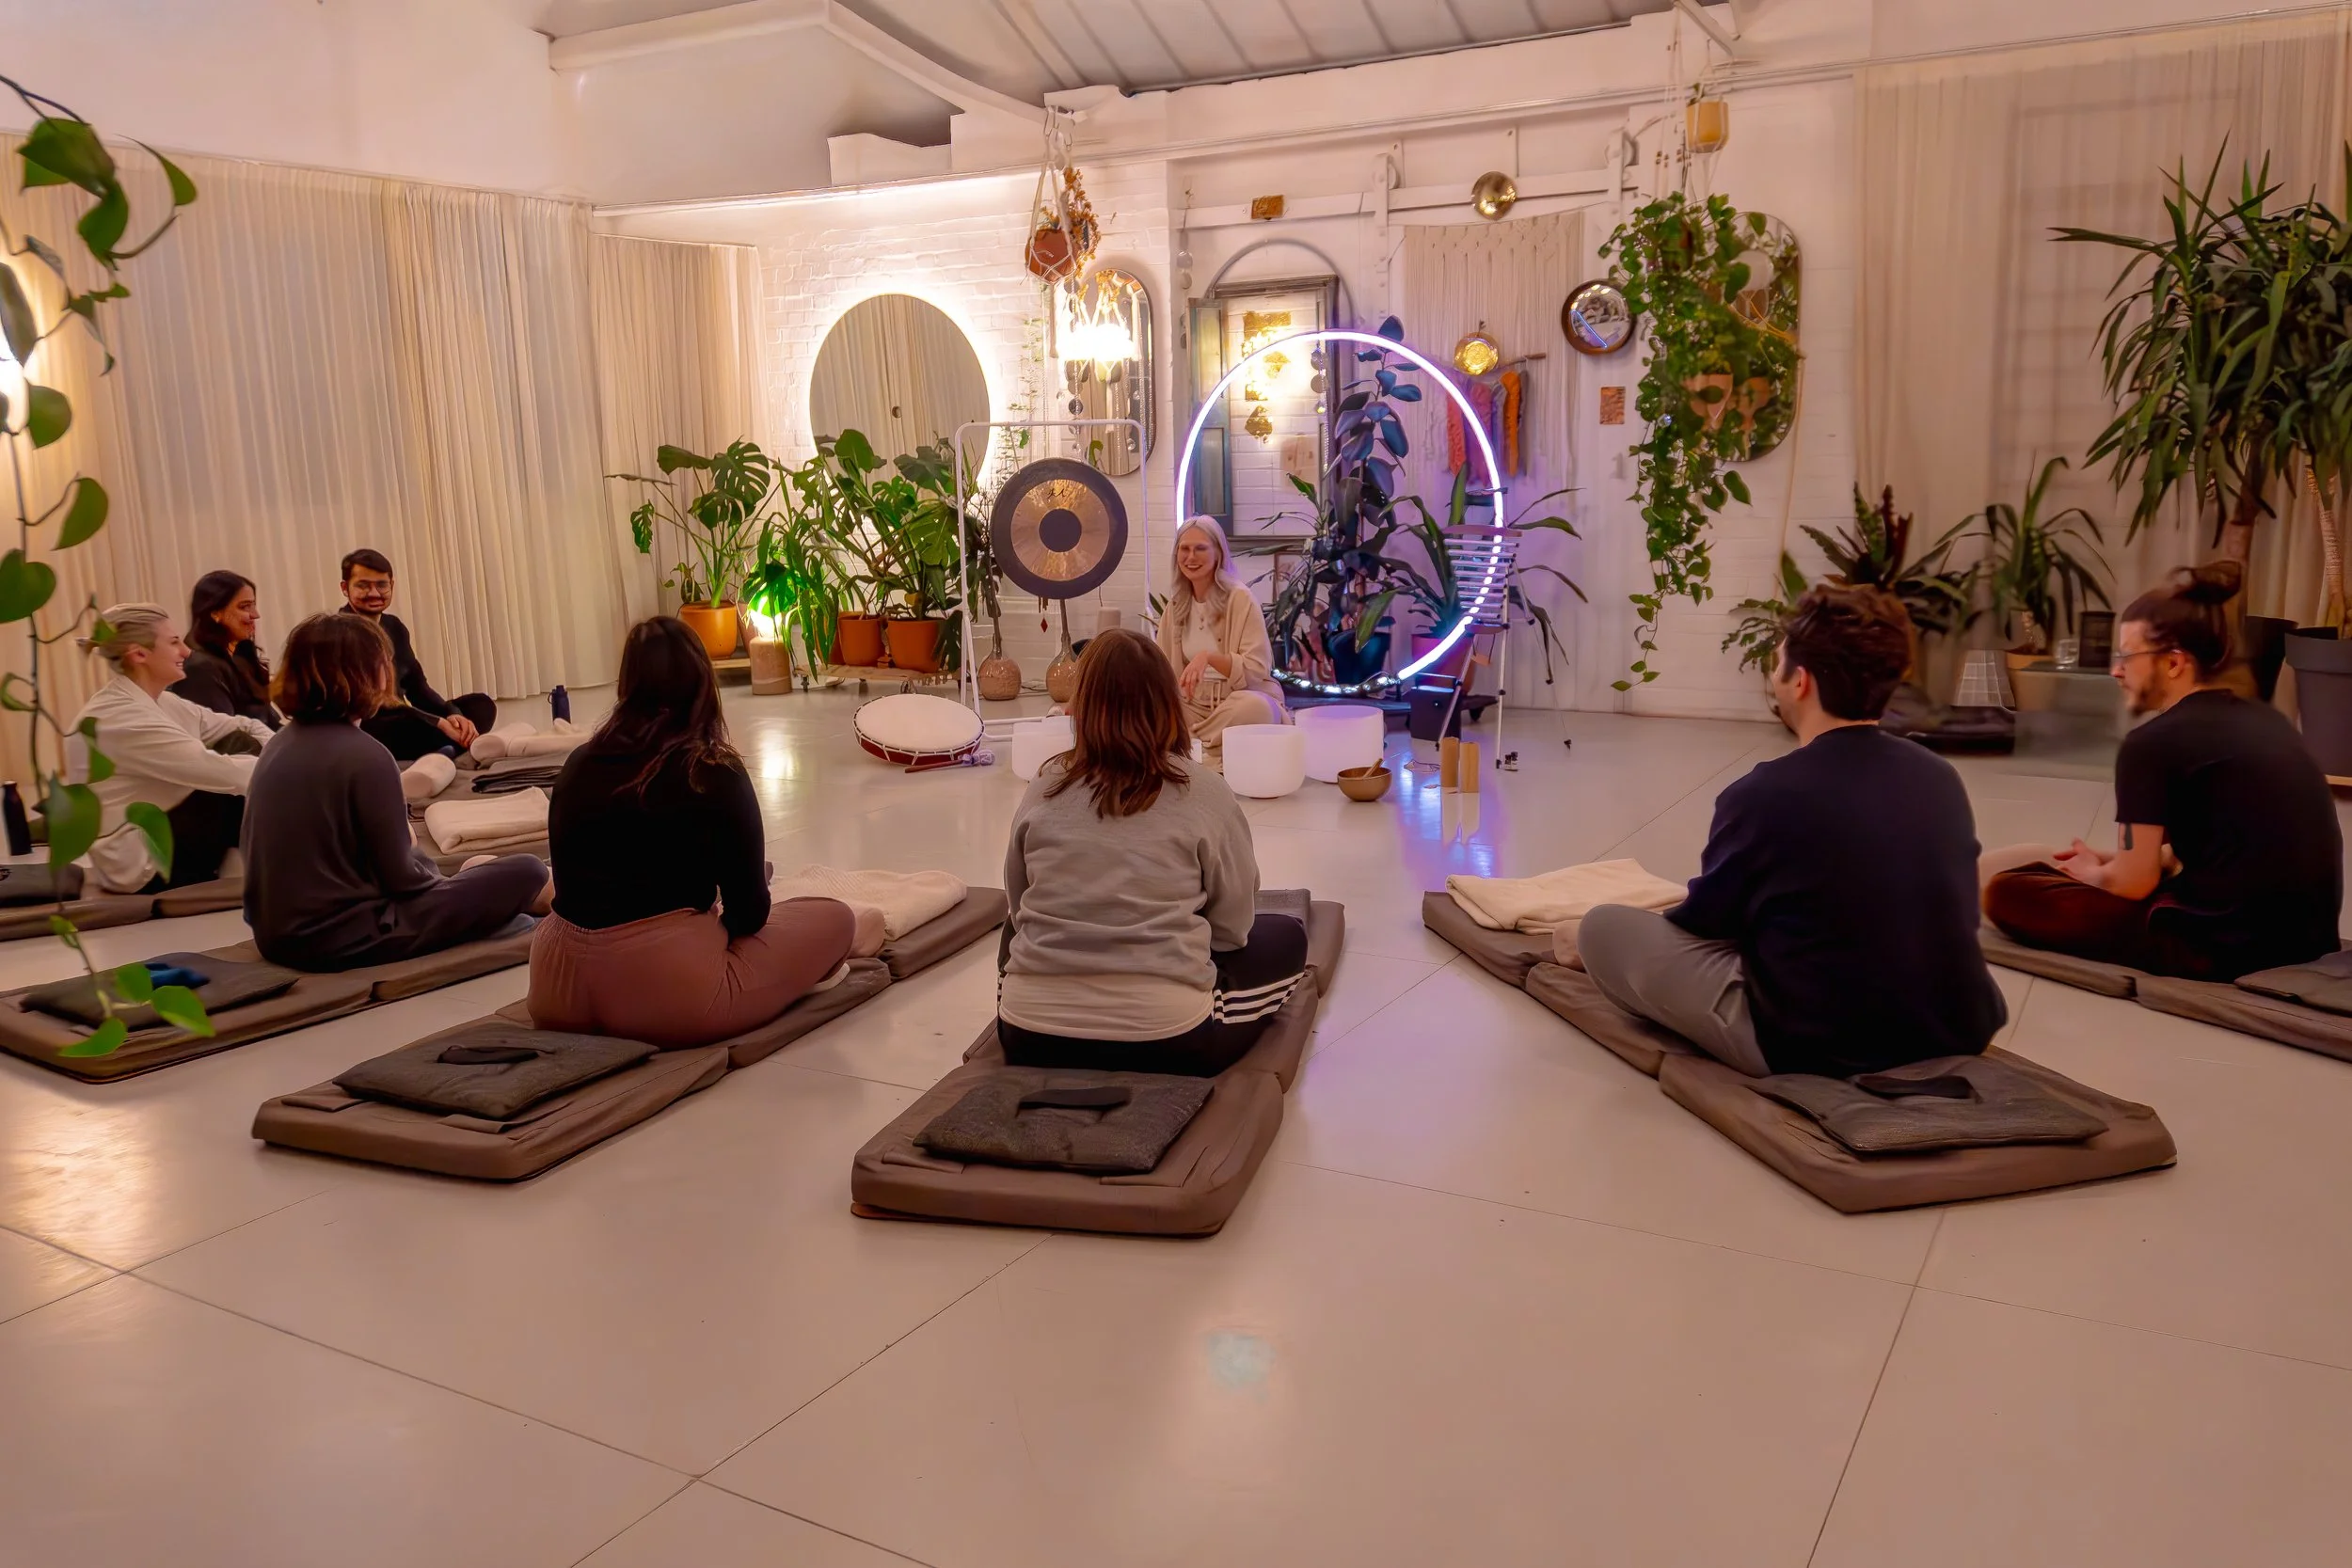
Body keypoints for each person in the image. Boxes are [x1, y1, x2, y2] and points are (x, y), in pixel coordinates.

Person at [1580, 585, 2007, 1078]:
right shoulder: (1939, 775)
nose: (1773, 671)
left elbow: (1706, 929)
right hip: (1959, 1025)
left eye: (1776, 660)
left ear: (1799, 681)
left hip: (1816, 1046)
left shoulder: (1763, 792)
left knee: (1602, 927)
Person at [1983, 563, 2342, 979]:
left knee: (2004, 891)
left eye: (2127, 657)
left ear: (2174, 663)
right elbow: (2223, 839)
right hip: (2307, 939)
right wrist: (2113, 862)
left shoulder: (2152, 744)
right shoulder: (2267, 722)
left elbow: (2131, 885)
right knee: (2041, 860)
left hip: (2222, 948)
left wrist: (2095, 874)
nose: (2115, 670)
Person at [528, 617, 857, 1049]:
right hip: (666, 995)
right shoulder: (712, 771)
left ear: (626, 682)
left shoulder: (577, 763)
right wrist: (709, 915)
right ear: (703, 682)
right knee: (837, 918)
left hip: (556, 988)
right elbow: (751, 914)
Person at [997, 627, 1308, 1076]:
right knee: (1288, 937)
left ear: (1080, 705)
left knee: (1016, 929)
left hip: (1028, 1035)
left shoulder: (1043, 785)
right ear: (1167, 702)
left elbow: (1017, 899)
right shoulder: (1205, 790)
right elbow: (1233, 928)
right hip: (1167, 1039)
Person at [244, 613, 548, 971]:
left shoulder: (277, 745)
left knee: (476, 873)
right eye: (382, 664)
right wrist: (446, 881)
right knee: (528, 871)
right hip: (340, 938)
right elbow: (405, 881)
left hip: (273, 937)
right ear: (365, 674)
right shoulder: (366, 756)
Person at [69, 605, 275, 893]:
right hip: (142, 866)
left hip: (162, 830)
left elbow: (242, 724)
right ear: (139, 654)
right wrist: (301, 764)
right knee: (240, 770)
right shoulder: (122, 719)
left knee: (243, 746)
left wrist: (279, 748)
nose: (186, 652)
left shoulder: (161, 701)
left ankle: (259, 868)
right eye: (174, 642)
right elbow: (229, 774)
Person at [336, 547, 498, 761]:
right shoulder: (340, 632)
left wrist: (452, 714)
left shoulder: (394, 627)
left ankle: (444, 749)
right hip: (371, 724)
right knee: (408, 724)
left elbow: (418, 688)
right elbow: (375, 704)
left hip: (406, 717)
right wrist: (438, 722)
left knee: (481, 706)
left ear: (392, 585)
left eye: (381, 585)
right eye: (364, 586)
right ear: (345, 588)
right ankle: (447, 749)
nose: (374, 593)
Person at [1153, 515, 1287, 759]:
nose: (1191, 557)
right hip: (1191, 706)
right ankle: (1211, 747)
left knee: (1259, 709)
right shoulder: (1176, 607)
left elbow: (1257, 669)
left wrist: (1210, 658)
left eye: (1200, 549)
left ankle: (1194, 747)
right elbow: (1160, 670)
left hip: (1234, 702)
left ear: (1218, 554)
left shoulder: (1239, 598)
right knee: (1152, 710)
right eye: (1184, 549)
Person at [172, 569, 279, 730]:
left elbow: (270, 724)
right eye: (245, 607)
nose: (255, 615)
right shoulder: (200, 668)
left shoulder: (240, 655)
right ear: (215, 613)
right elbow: (225, 737)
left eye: (253, 605)